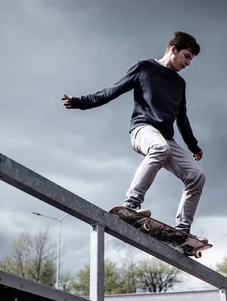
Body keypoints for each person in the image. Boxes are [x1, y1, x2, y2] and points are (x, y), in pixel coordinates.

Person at [62, 31, 206, 242]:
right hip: (142, 130)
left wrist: (193, 146)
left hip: (167, 138)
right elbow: (111, 91)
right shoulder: (145, 68)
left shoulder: (180, 84)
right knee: (160, 148)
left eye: (191, 59)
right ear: (173, 49)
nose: (188, 63)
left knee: (196, 176)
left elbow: (182, 118)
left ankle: (181, 232)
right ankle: (131, 205)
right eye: (187, 56)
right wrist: (79, 101)